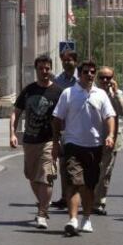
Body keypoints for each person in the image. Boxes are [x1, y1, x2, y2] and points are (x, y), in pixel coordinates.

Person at [52, 60, 116, 235]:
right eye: (86, 72)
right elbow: (57, 118)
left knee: (89, 186)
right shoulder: (68, 93)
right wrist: (56, 141)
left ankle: (86, 218)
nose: (90, 75)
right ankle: (72, 219)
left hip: (94, 146)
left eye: (92, 72)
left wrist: (110, 135)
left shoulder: (101, 94)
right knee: (74, 182)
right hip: (72, 145)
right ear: (79, 74)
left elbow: (110, 116)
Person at [10, 55, 62, 229]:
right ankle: (42, 204)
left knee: (46, 177)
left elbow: (64, 116)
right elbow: (16, 112)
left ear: (50, 69)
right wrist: (12, 133)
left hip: (49, 140)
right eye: (41, 68)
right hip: (30, 140)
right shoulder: (29, 90)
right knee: (32, 177)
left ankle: (42, 213)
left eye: (47, 68)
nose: (44, 71)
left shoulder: (57, 92)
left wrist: (59, 140)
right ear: (36, 69)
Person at [93, 66, 123, 215]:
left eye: (108, 78)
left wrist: (115, 94)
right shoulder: (91, 92)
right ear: (97, 78)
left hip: (111, 139)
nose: (105, 81)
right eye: (102, 77)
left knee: (105, 172)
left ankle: (99, 202)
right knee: (91, 171)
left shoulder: (116, 94)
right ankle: (89, 198)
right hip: (91, 138)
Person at [51, 49, 78, 209]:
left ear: (75, 61)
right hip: (63, 129)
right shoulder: (58, 81)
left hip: (79, 128)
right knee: (63, 165)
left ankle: (79, 195)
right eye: (64, 60)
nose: (67, 63)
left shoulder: (81, 79)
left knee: (79, 164)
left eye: (70, 60)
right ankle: (64, 196)